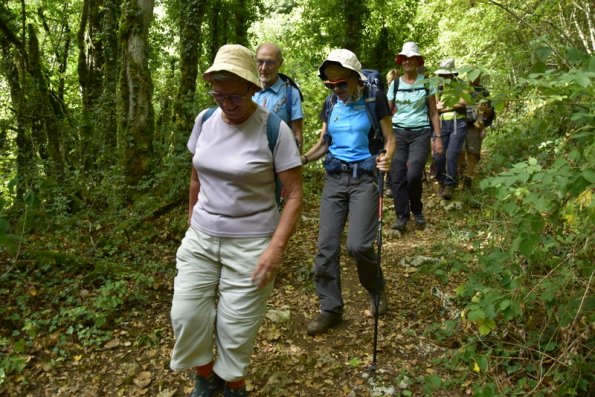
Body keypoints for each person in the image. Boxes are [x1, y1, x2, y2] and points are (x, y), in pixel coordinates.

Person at [169, 44, 303, 397]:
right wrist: (191, 222)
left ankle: (234, 384)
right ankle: (205, 374)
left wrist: (275, 250)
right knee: (186, 314)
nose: (226, 104)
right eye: (218, 95)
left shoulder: (275, 130)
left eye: (234, 97)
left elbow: (293, 194)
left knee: (236, 325)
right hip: (201, 237)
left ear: (252, 90)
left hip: (252, 240)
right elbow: (196, 176)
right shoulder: (204, 120)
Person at [301, 49, 395, 336]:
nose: (336, 89)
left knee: (358, 246)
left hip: (365, 179)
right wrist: (301, 160)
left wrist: (387, 157)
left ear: (356, 78)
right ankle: (330, 309)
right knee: (325, 248)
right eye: (330, 85)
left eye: (341, 83)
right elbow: (324, 144)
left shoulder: (373, 99)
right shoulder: (331, 104)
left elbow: (390, 140)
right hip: (334, 179)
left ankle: (376, 288)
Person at [387, 42, 442, 232]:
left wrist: (438, 138)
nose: (407, 62)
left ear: (418, 61)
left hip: (421, 132)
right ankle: (401, 216)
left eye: (411, 58)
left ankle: (417, 209)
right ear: (401, 61)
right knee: (396, 175)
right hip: (398, 133)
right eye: (404, 58)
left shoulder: (428, 83)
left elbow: (434, 112)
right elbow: (386, 113)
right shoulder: (394, 84)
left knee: (413, 175)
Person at [253, 43, 304, 152]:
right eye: (260, 62)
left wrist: (296, 163)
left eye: (270, 63)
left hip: (278, 158)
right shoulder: (247, 89)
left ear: (280, 63)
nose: (263, 68)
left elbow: (297, 132)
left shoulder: (291, 94)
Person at [434, 58, 467, 200]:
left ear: (453, 74)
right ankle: (441, 181)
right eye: (442, 74)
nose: (444, 77)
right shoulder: (438, 86)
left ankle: (450, 185)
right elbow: (435, 106)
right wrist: (453, 103)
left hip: (458, 122)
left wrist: (445, 106)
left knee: (452, 154)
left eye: (446, 74)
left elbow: (464, 102)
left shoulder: (460, 85)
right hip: (441, 124)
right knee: (438, 156)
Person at [458, 73, 494, 189]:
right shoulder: (461, 89)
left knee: (472, 153)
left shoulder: (484, 92)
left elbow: (490, 111)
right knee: (459, 150)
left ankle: (467, 179)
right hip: (460, 123)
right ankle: (460, 169)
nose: (475, 78)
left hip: (476, 125)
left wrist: (486, 111)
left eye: (477, 76)